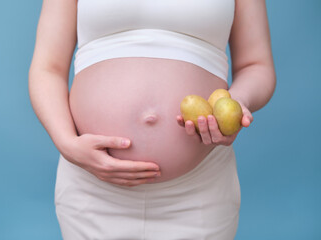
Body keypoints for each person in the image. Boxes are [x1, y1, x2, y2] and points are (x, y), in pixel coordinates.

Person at [29, 0, 276, 239]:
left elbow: (256, 65)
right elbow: (47, 68)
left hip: (199, 190)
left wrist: (234, 103)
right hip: (93, 189)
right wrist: (67, 144)